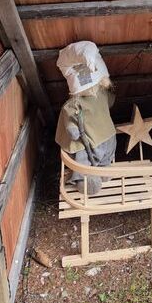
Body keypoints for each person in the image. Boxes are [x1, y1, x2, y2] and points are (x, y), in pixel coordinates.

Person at [55, 41, 116, 195]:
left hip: (104, 134)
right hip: (87, 139)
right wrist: (72, 128)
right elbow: (69, 116)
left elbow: (109, 100)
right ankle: (85, 178)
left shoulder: (101, 95)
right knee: (81, 152)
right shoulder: (76, 103)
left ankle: (103, 167)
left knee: (106, 149)